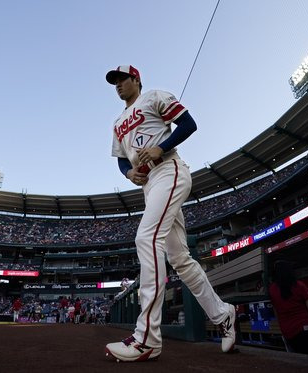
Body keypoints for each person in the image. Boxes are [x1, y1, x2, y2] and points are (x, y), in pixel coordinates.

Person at [103, 65, 236, 362]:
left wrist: (161, 148)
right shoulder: (117, 123)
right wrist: (128, 175)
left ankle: (147, 339)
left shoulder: (153, 97)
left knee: (146, 238)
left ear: (136, 79)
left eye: (122, 79)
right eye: (115, 82)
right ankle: (222, 313)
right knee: (179, 258)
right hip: (149, 185)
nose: (118, 85)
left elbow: (188, 124)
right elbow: (122, 160)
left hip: (169, 170)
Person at [269, 260, 308, 355]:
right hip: (307, 331)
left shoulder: (272, 289)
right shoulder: (299, 285)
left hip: (289, 333)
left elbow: (276, 313)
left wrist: (284, 331)